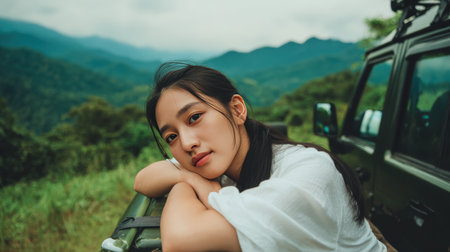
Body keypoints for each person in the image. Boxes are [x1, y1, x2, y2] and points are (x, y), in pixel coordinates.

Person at [134, 63, 389, 251]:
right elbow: (143, 179)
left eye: (194, 118)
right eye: (171, 137)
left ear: (236, 110)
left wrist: (204, 188)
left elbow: (180, 240)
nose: (187, 143)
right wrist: (188, 177)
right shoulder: (224, 161)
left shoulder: (308, 171)